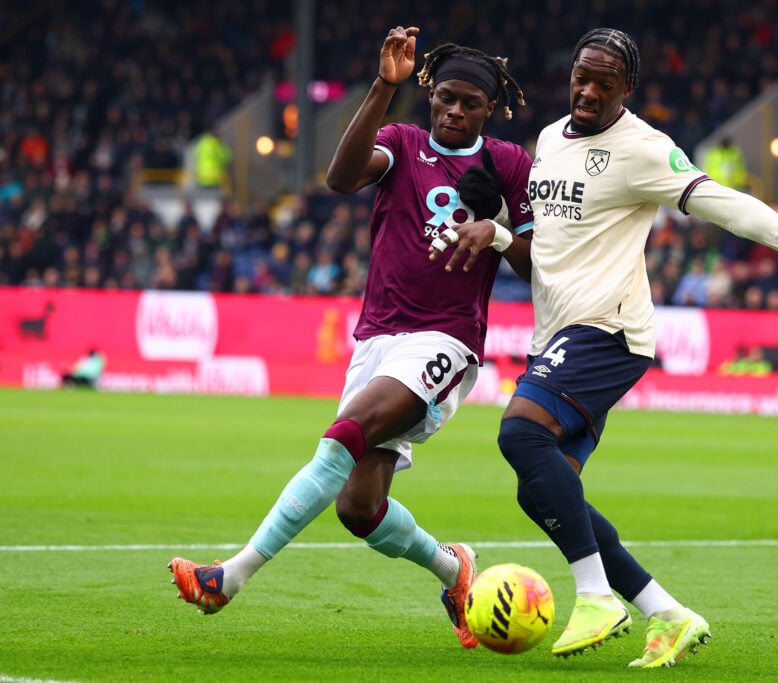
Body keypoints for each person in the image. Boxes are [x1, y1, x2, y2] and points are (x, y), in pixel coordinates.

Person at [441, 28, 778, 668]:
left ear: (628, 88)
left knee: (519, 438)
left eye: (606, 82)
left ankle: (597, 595)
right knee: (540, 489)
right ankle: (667, 612)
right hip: (558, 334)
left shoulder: (644, 149)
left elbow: (722, 203)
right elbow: (540, 258)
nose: (590, 91)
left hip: (609, 333)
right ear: (570, 73)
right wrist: (493, 231)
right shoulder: (548, 142)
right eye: (582, 76)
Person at [168, 25, 535, 650]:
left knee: (345, 432)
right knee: (359, 509)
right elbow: (340, 177)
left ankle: (231, 576)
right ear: (431, 96)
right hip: (376, 341)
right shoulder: (402, 140)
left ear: (491, 109)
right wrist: (383, 85)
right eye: (445, 97)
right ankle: (454, 570)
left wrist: (497, 226)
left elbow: (537, 266)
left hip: (446, 340)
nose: (454, 110)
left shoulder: (507, 164)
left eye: (470, 103)